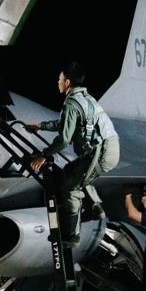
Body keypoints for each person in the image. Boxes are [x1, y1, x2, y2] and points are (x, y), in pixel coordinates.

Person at [27, 62, 119, 240]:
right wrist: (40, 127)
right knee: (79, 173)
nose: (58, 82)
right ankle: (96, 208)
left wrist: (44, 155)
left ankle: (71, 236)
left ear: (67, 82)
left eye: (60, 79)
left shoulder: (71, 103)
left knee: (68, 184)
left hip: (101, 152)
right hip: (109, 148)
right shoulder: (85, 98)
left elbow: (64, 139)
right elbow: (65, 125)